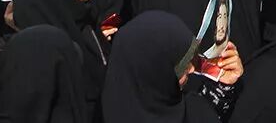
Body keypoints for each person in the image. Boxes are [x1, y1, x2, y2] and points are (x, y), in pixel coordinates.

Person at [102, 9, 241, 122]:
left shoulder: (189, 110)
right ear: (155, 74)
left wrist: (224, 84)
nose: (192, 69)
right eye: (182, 66)